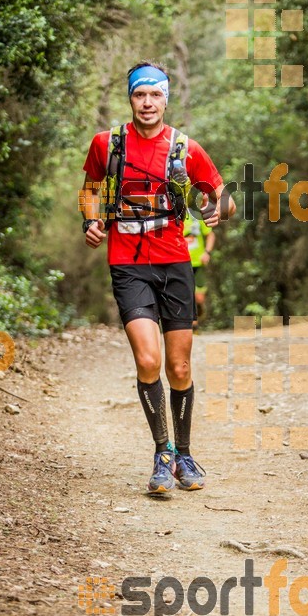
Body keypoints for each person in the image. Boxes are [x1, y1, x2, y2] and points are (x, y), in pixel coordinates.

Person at [80, 61, 236, 494]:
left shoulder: (185, 148)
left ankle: (185, 455)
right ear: (130, 99)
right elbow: (89, 189)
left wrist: (215, 210)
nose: (147, 103)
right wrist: (90, 221)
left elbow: (222, 198)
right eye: (139, 95)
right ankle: (162, 454)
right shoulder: (107, 144)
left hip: (174, 264)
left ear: (166, 99)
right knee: (148, 361)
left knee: (179, 365)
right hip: (127, 264)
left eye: (155, 95)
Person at [183, 213, 215, 330]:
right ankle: (193, 323)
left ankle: (199, 311)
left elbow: (210, 234)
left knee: (199, 297)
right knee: (186, 293)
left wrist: (207, 252)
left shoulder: (196, 216)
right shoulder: (174, 217)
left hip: (198, 262)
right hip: (181, 262)